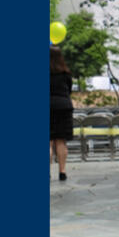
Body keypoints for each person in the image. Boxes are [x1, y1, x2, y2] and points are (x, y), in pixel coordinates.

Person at [50, 46, 74, 181]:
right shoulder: (66, 74)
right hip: (64, 106)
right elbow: (69, 90)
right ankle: (62, 171)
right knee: (61, 141)